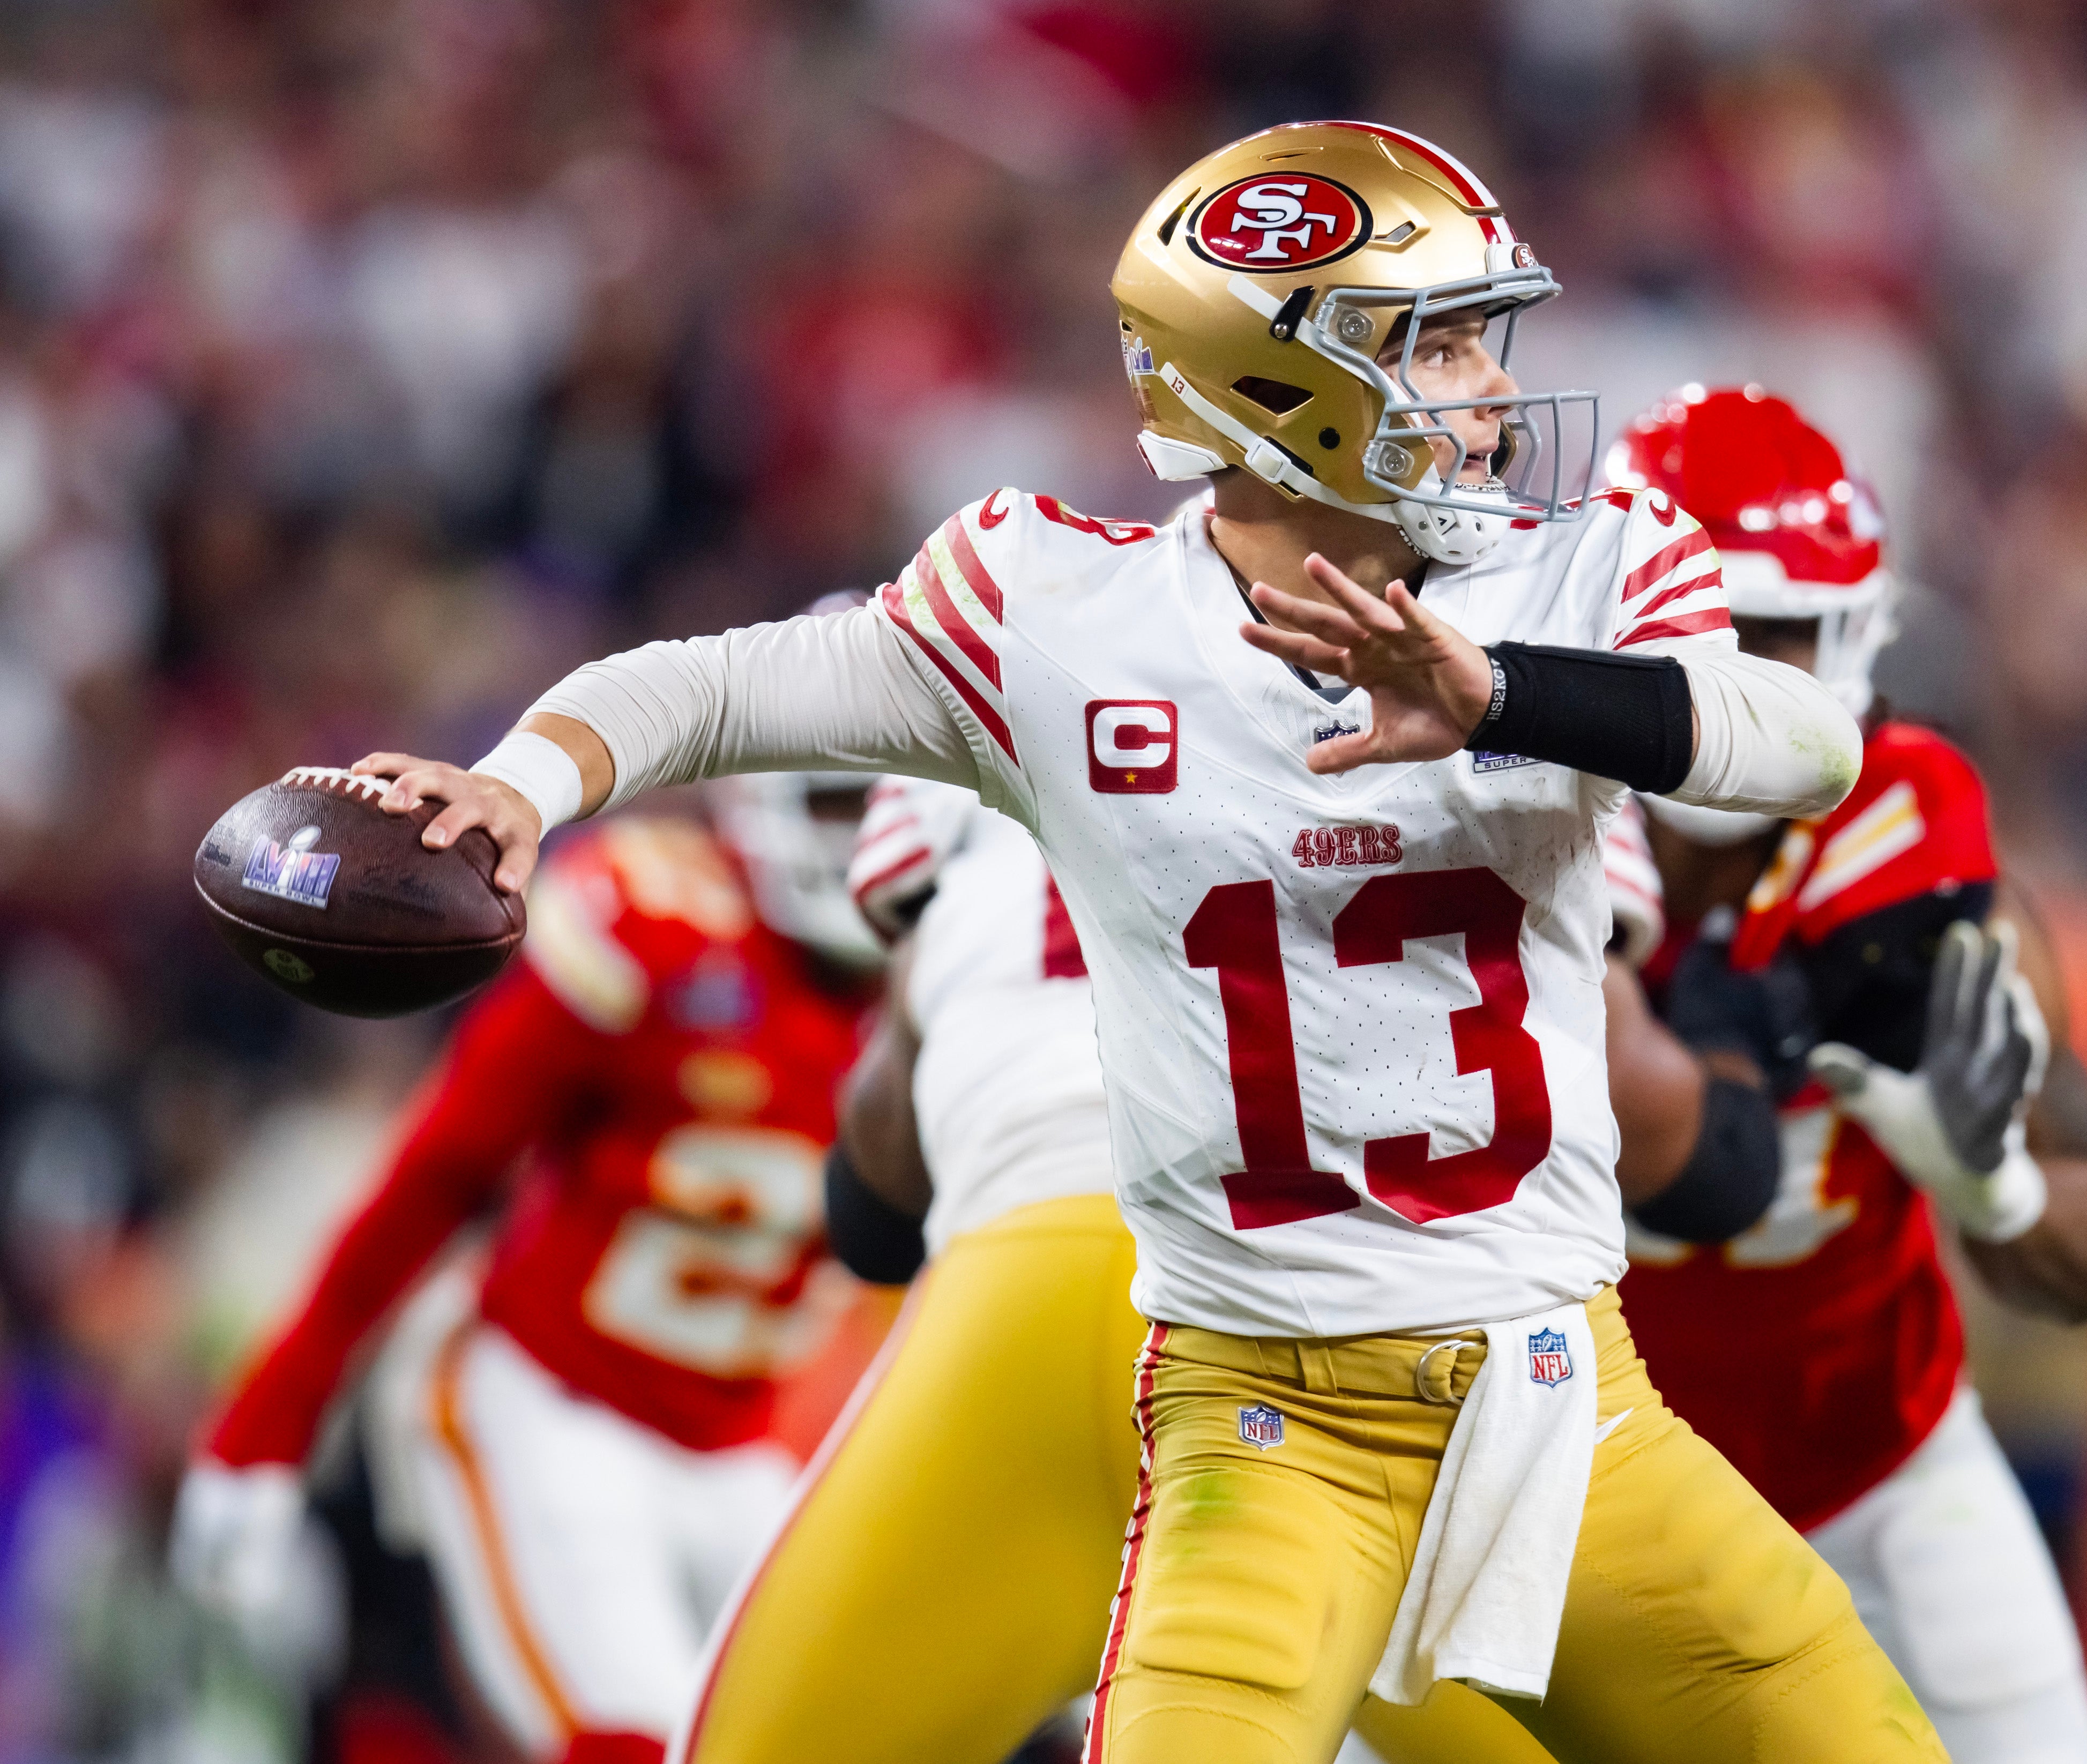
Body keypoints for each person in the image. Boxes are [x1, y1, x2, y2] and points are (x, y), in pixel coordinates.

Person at [347, 121, 1943, 1762]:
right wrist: (517, 784)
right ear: (1286, 384)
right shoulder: (1054, 615)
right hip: (1264, 1429)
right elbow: (712, 686)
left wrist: (1498, 694)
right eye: (1440, 339)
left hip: (1563, 1405)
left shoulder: (1583, 569)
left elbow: (1797, 737)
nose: (1488, 384)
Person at [682, 774, 1553, 1764]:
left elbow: (875, 1202)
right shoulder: (1445, 700)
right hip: (1331, 1303)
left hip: (1028, 1289)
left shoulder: (964, 716)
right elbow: (1672, 1149)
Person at [1606, 386, 2087, 1764]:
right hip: (1567, 1494)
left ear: (1852, 642)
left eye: (1779, 631)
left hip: (1873, 1473)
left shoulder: (1910, 856)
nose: (1742, 673)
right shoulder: (1512, 812)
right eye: (1705, 624)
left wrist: (1995, 1183)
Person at [173, 773, 884, 1764]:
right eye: (838, 804)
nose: (863, 840)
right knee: (634, 1746)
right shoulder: (653, 924)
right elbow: (443, 1167)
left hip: (745, 1438)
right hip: (554, 1400)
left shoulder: (958, 972)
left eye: (888, 806)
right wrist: (269, 1417)